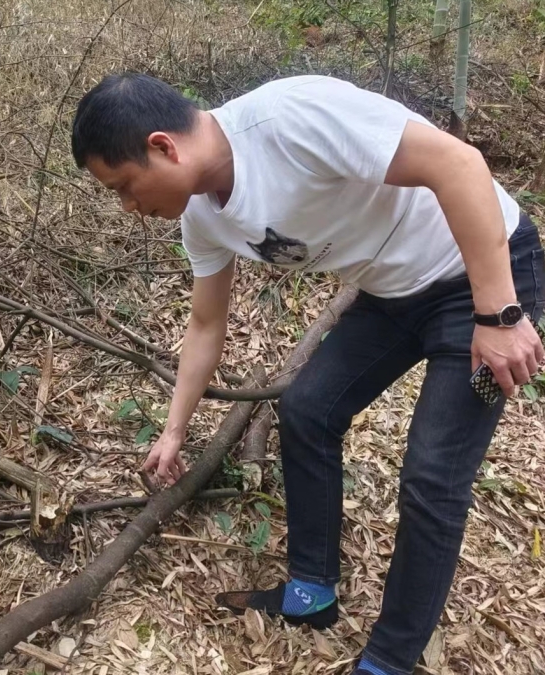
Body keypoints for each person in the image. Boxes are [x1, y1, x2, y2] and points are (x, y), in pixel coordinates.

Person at [70, 72, 545, 675]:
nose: (129, 207)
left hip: (482, 275)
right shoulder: (203, 218)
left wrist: (500, 314)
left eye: (124, 187)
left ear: (163, 147)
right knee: (307, 410)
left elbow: (459, 163)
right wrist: (173, 430)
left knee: (433, 475)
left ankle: (389, 660)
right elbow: (206, 324)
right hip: (391, 294)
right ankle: (312, 591)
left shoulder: (291, 119)